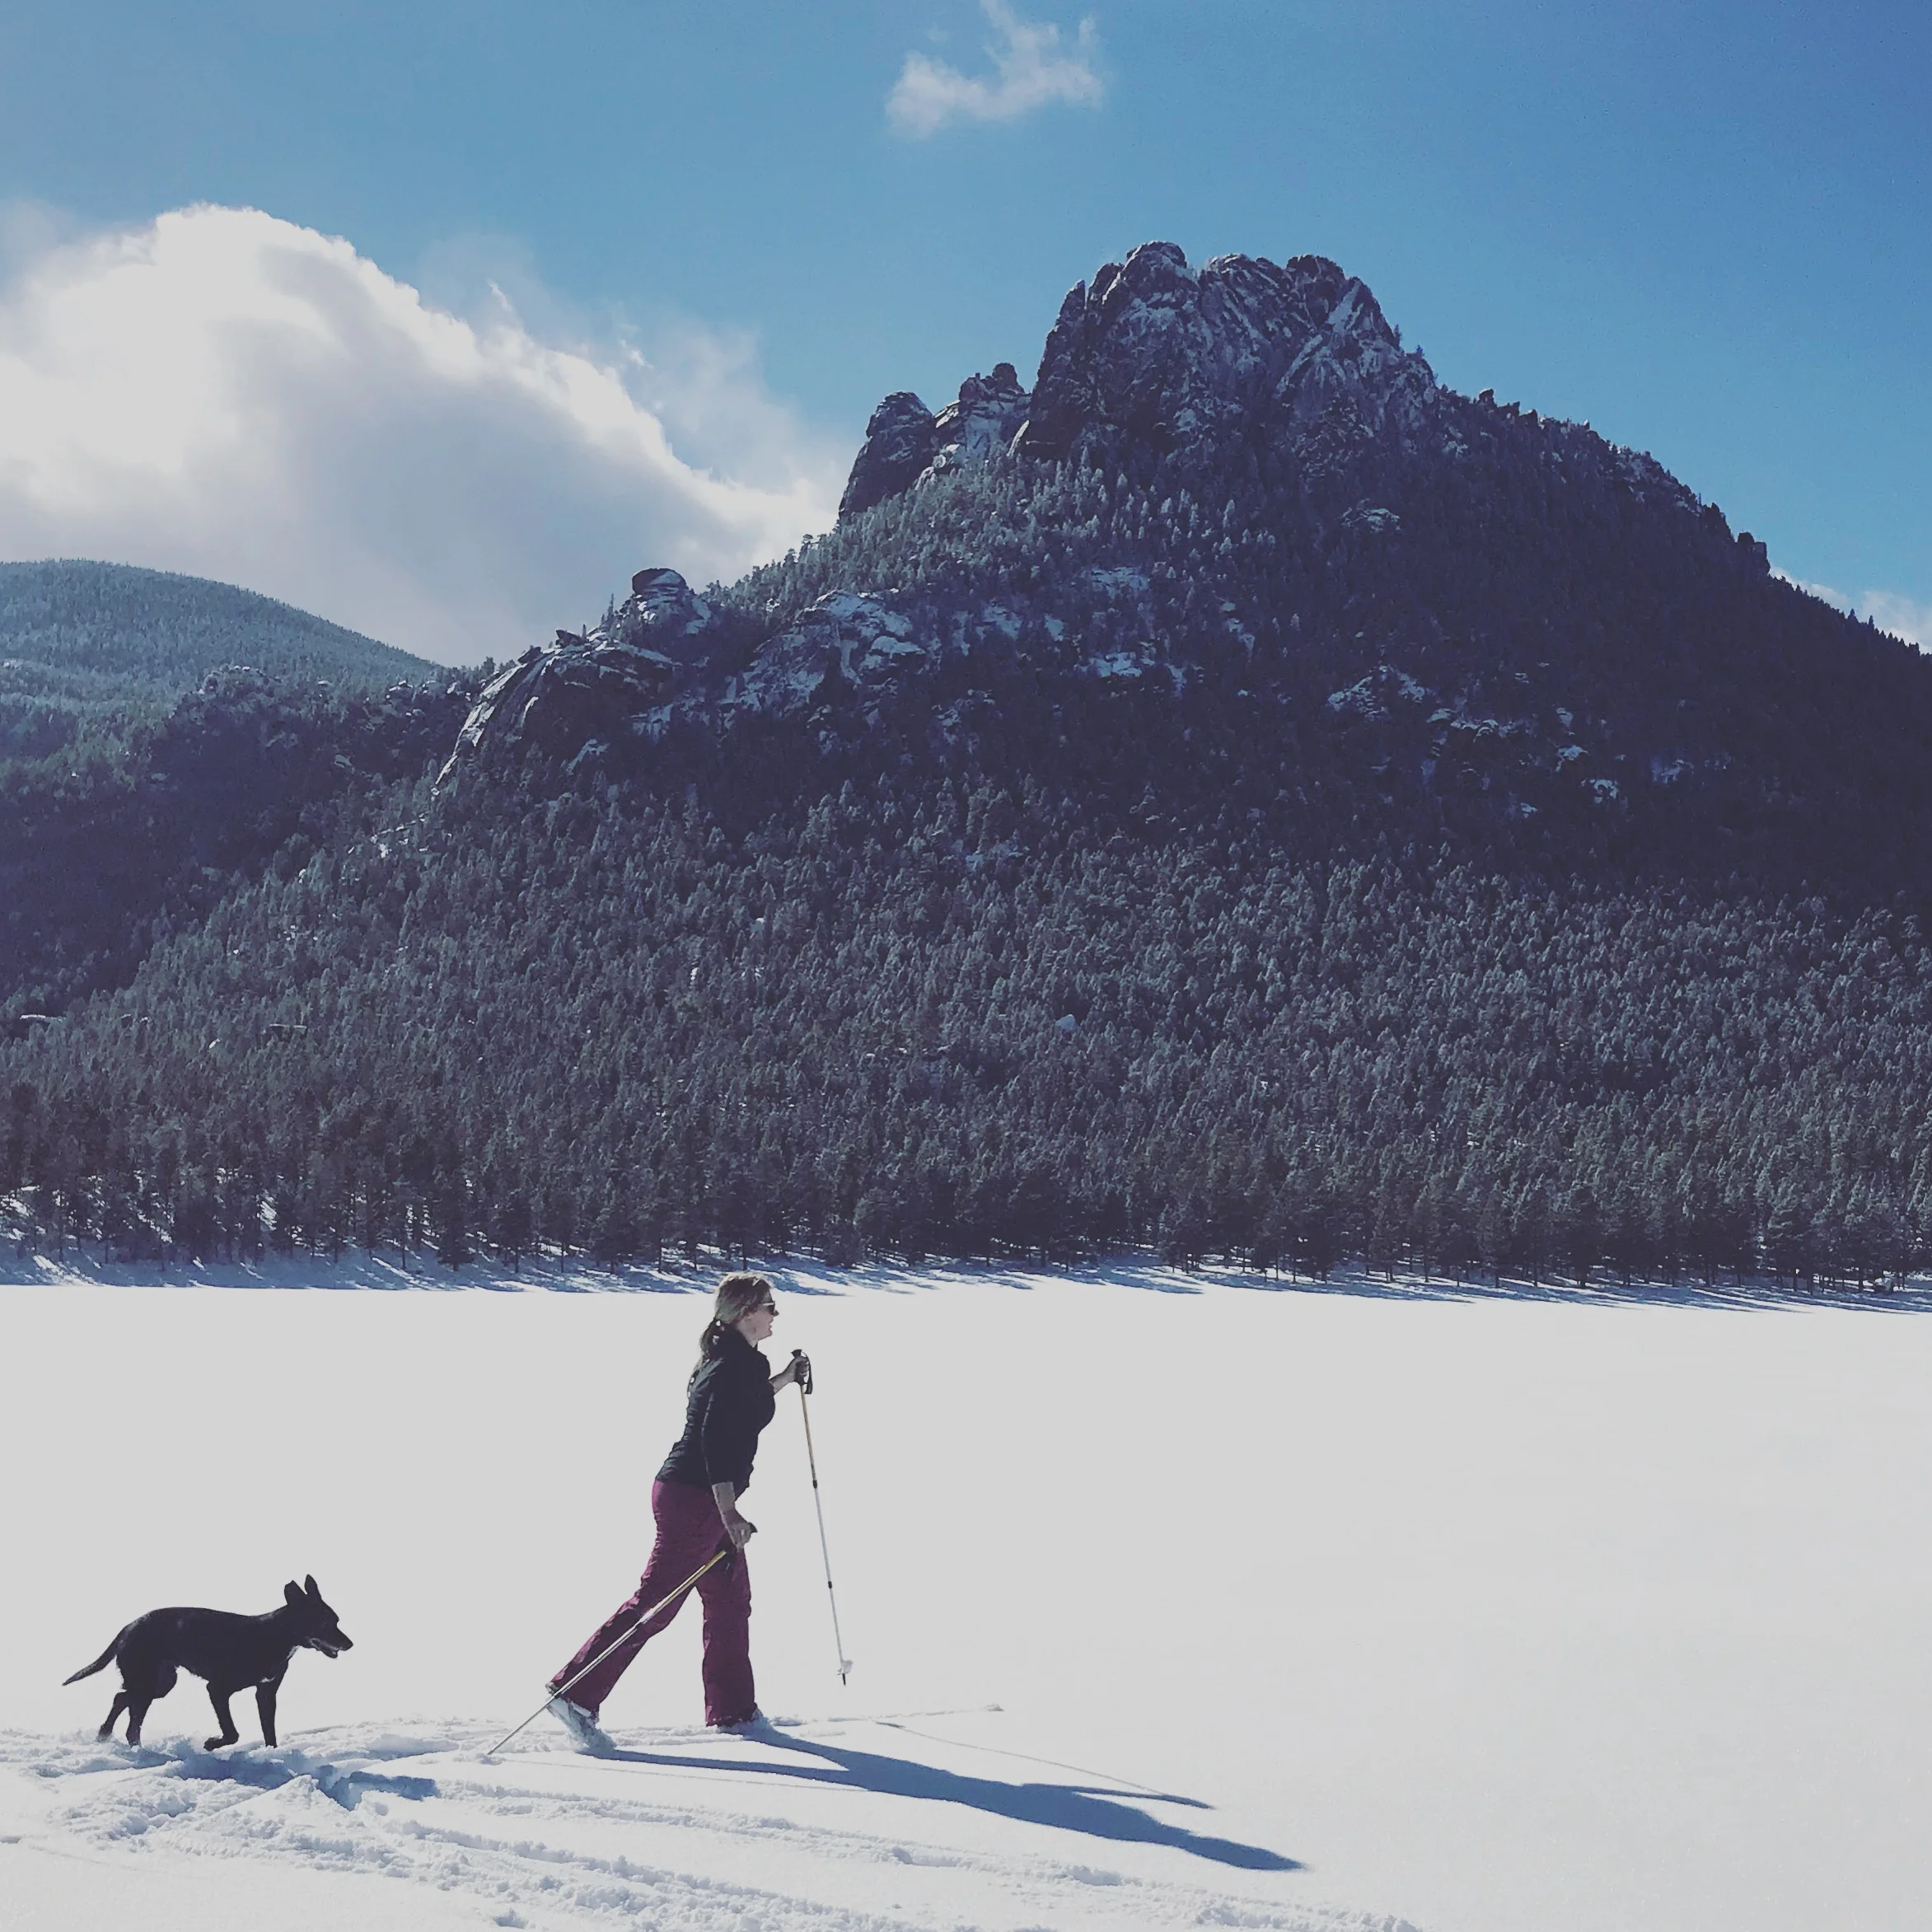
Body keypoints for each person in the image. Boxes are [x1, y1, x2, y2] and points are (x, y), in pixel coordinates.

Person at [545, 1273, 806, 1751]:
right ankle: (574, 1692)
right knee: (656, 1604)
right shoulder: (733, 1365)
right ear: (748, 1312)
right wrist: (729, 1513)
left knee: (729, 1601)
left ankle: (734, 1711)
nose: (775, 1316)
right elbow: (716, 1441)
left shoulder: (734, 1361)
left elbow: (740, 1410)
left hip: (696, 1495)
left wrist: (786, 1381)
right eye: (770, 1307)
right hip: (697, 1499)